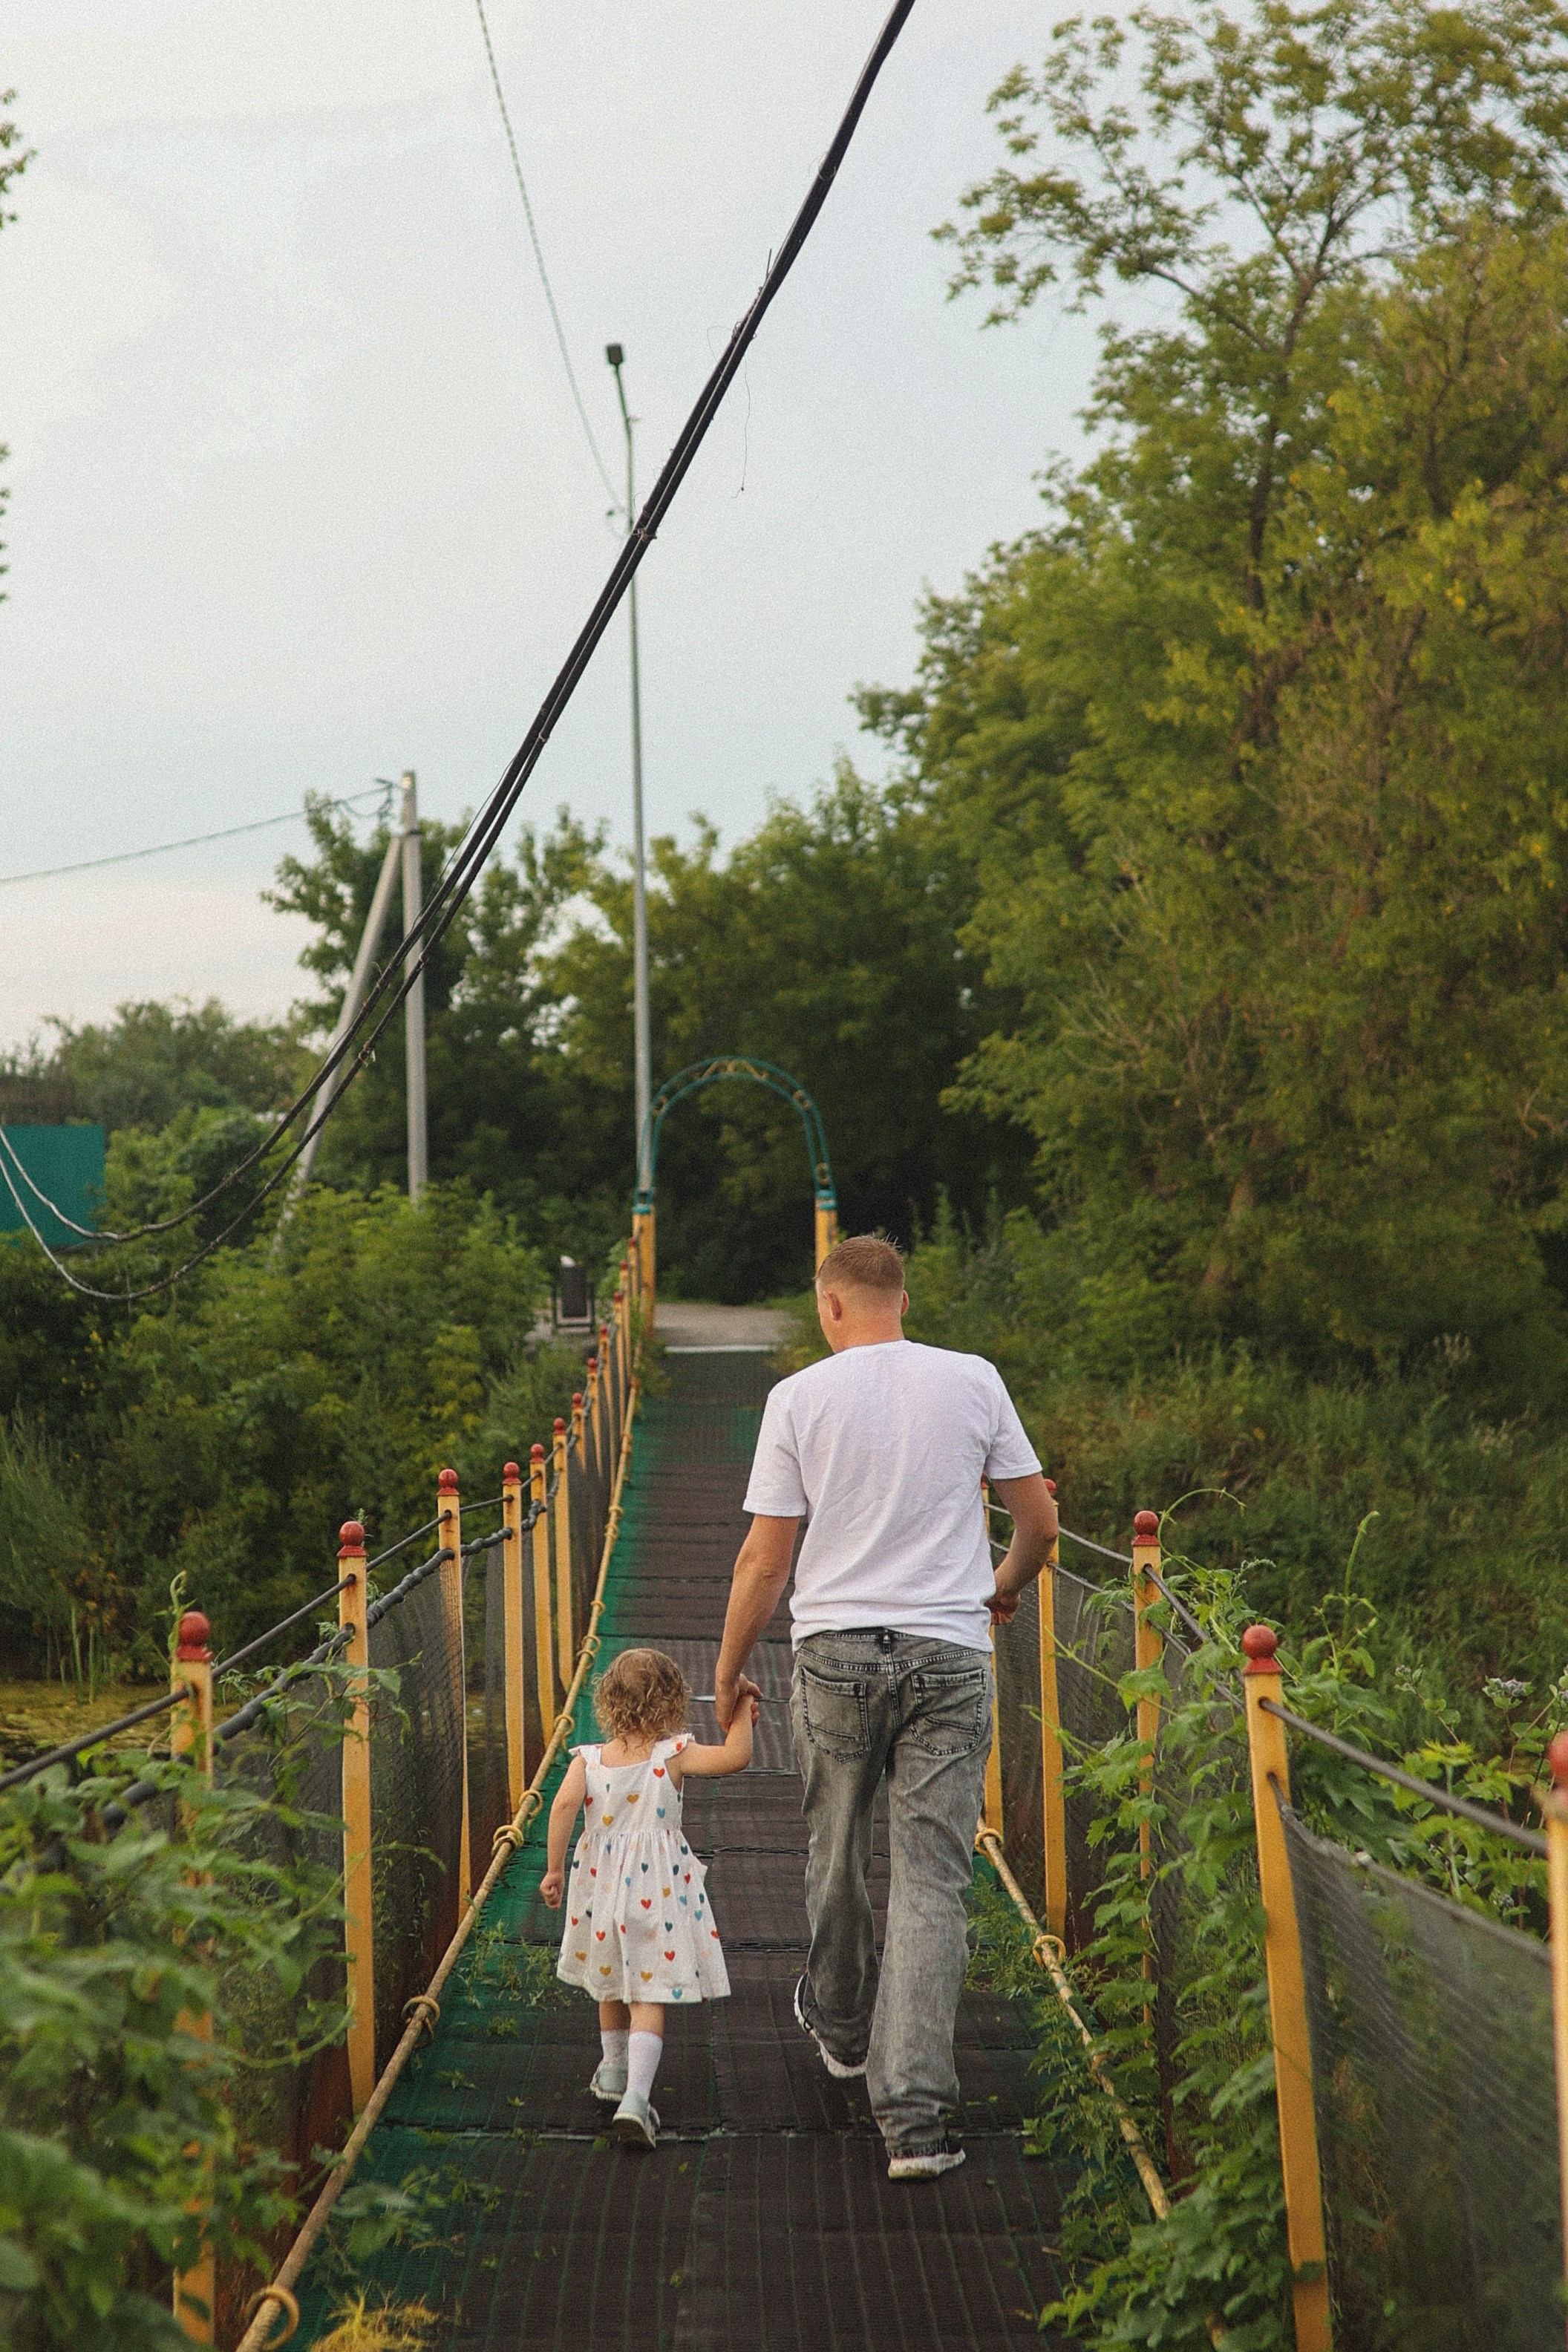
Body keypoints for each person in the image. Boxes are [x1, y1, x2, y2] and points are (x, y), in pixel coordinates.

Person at [713, 1232, 1056, 2180]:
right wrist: (996, 1589)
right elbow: (1039, 1524)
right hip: (950, 1655)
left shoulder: (798, 1399)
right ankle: (917, 2124)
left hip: (834, 1657)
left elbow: (765, 1560)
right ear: (902, 1300)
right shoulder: (975, 1380)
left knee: (834, 1844)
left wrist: (729, 1667)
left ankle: (840, 2023)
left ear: (830, 1307)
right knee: (932, 1879)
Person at [541, 1645, 757, 2149]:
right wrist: (743, 1709)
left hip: (600, 1893)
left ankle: (613, 2069)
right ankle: (637, 2097)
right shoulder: (672, 1754)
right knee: (649, 1991)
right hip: (655, 1895)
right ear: (672, 1703)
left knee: (610, 1979)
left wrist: (554, 1869)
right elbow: (736, 1758)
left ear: (608, 1703)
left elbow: (563, 1806)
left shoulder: (588, 1760)